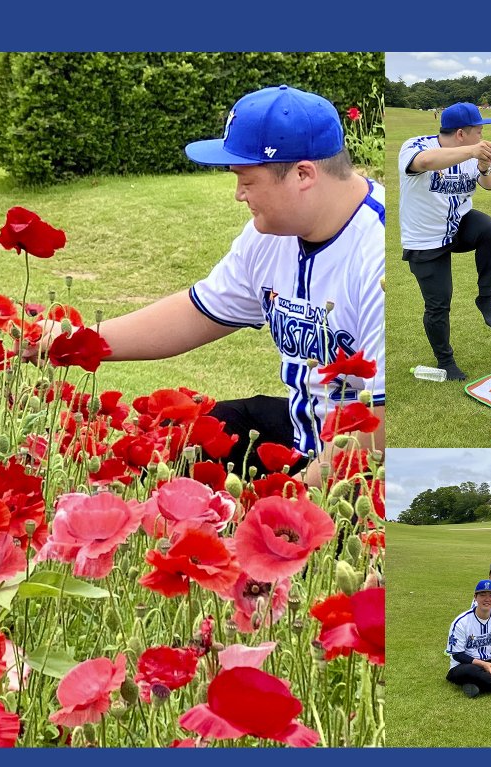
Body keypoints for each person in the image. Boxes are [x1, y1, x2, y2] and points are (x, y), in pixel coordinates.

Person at [33, 86, 385, 483]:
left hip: (373, 463)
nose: (238, 195)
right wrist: (72, 342)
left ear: (303, 174)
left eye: (246, 179)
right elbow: (195, 313)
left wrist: (287, 503)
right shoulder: (269, 235)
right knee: (189, 437)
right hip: (307, 433)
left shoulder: (379, 256)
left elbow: (383, 431)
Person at [398, 101, 491, 381]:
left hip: (458, 226)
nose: (482, 136)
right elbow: (426, 162)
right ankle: (446, 361)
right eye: (478, 131)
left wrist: (483, 167)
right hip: (425, 240)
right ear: (461, 134)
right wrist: (471, 151)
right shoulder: (415, 145)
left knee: (490, 230)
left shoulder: (474, 153)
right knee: (439, 304)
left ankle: (485, 297)